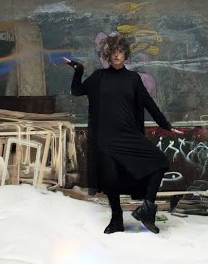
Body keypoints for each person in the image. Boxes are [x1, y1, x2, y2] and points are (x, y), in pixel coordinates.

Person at [64, 34, 181, 234]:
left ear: (125, 55)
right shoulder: (99, 77)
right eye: (113, 52)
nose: (117, 55)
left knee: (160, 162)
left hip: (128, 135)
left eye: (120, 52)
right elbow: (77, 90)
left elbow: (149, 104)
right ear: (108, 55)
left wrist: (166, 126)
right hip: (105, 138)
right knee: (110, 180)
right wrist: (78, 70)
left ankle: (147, 209)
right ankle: (116, 219)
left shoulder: (133, 79)